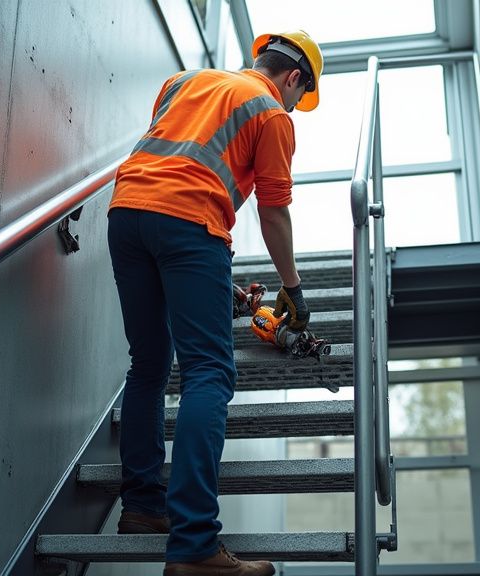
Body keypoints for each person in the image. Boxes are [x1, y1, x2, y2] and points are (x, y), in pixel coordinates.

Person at [106, 30, 323, 576]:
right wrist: (293, 289)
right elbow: (272, 211)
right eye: (299, 95)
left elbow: (172, 167)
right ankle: (195, 544)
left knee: (148, 365)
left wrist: (212, 283)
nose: (294, 105)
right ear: (294, 77)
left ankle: (142, 506)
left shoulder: (183, 81)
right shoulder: (271, 114)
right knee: (208, 373)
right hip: (190, 225)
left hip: (126, 214)